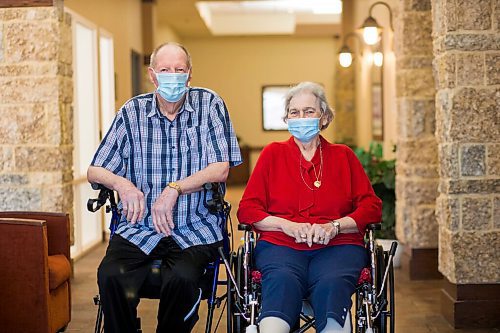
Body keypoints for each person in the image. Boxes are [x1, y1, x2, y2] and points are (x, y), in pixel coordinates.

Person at [87, 42, 241, 333]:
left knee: (183, 279)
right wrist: (124, 185)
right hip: (138, 226)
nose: (173, 76)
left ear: (190, 74)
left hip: (194, 225)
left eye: (179, 70)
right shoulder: (131, 113)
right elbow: (95, 169)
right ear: (152, 75)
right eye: (165, 70)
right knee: (110, 275)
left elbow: (221, 168)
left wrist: (175, 189)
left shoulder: (210, 105)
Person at [237, 82, 382, 333]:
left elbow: (371, 207)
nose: (300, 118)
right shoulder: (273, 154)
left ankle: (334, 325)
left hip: (338, 246)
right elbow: (248, 210)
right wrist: (285, 224)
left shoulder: (343, 156)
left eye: (308, 111)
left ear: (324, 117)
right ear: (286, 118)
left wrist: (335, 226)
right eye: (294, 112)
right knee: (281, 279)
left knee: (332, 281)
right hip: (280, 244)